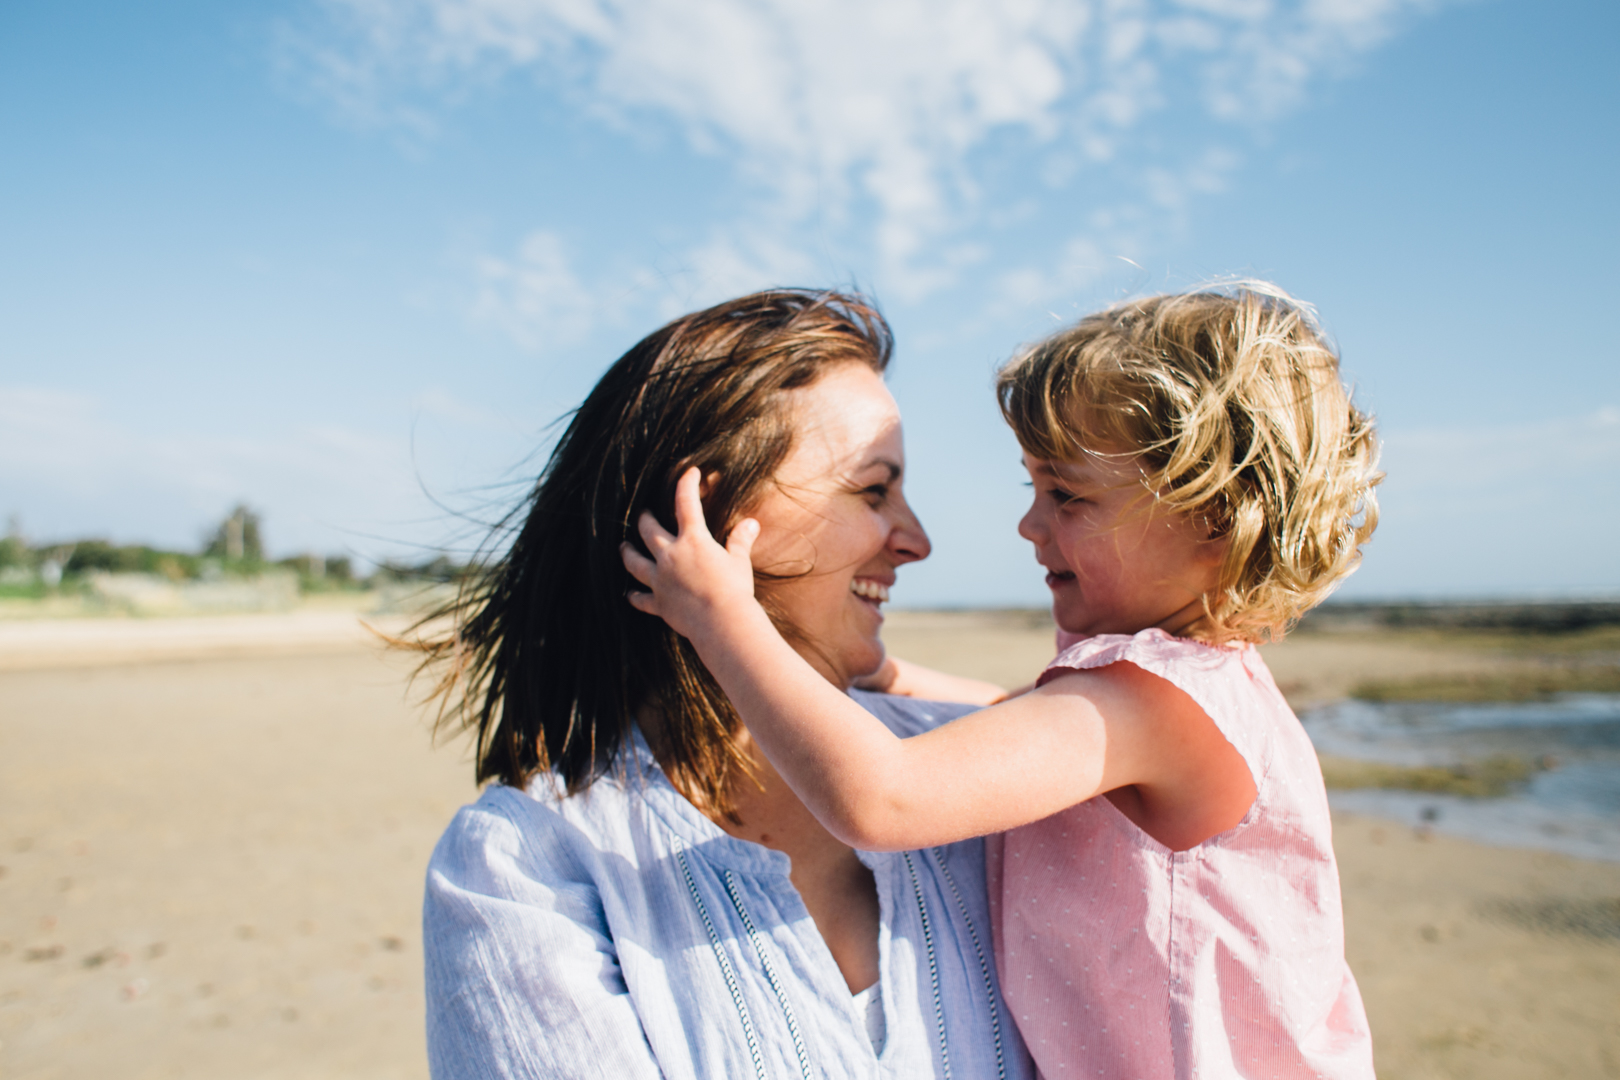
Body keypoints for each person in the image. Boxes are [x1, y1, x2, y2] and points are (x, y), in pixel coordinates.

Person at [623, 282, 1383, 1079]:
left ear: (1213, 521)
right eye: (1034, 489)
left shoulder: (1155, 700)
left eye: (1068, 495)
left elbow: (886, 798)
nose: (1030, 524)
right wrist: (883, 672)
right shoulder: (1186, 693)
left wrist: (724, 621)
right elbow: (1009, 718)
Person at [417, 289, 1034, 1080]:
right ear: (704, 515)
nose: (916, 541)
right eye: (874, 490)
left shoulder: (977, 783)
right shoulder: (523, 868)